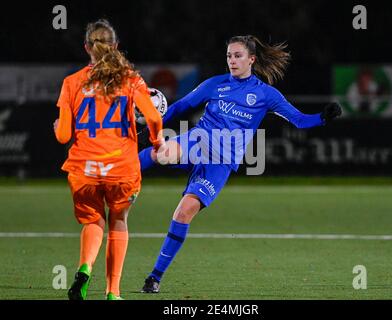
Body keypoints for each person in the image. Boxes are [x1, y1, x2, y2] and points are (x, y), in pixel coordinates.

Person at [138, 35, 342, 293]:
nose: (232, 61)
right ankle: (119, 174)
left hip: (221, 162)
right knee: (162, 152)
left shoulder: (266, 95)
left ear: (252, 59)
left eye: (237, 56)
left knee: (183, 213)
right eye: (229, 56)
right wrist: (154, 128)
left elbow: (299, 120)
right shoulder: (216, 84)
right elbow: (181, 107)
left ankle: (154, 277)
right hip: (198, 142)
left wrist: (322, 118)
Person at [53, 19, 164, 300]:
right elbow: (152, 116)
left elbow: (63, 136)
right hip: (121, 170)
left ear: (87, 47)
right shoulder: (130, 78)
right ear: (115, 46)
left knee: (93, 221)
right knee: (118, 221)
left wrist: (57, 126)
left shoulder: (72, 83)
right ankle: (113, 292)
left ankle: (84, 269)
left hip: (83, 170)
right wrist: (156, 141)